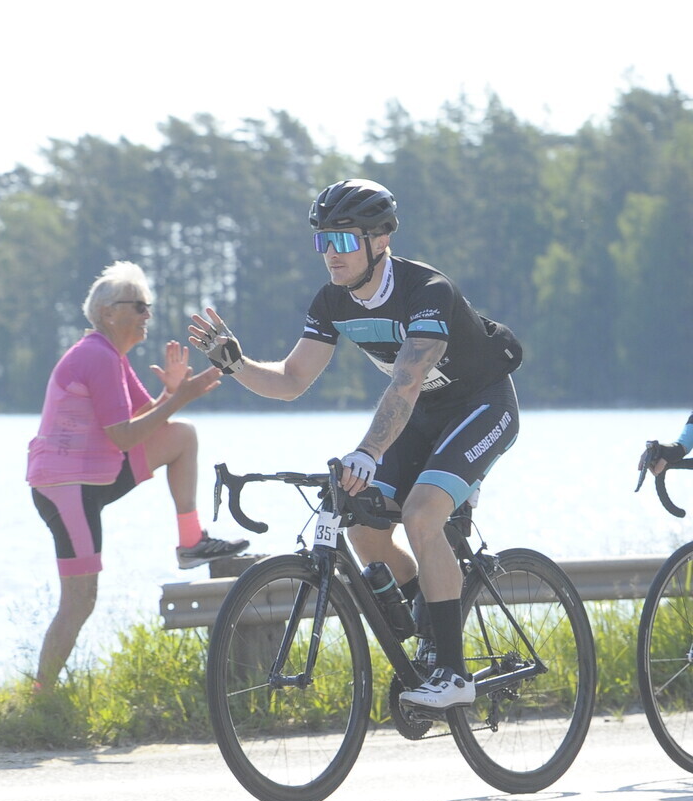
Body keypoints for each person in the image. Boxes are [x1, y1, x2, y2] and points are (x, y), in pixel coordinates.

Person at [189, 178, 524, 710]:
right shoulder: (332, 301)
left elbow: (406, 383)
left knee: (420, 515)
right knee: (364, 526)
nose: (331, 253)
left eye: (343, 240)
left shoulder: (427, 290)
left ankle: (454, 674)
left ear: (380, 240)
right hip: (420, 416)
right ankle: (431, 622)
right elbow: (292, 380)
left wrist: (367, 452)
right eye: (323, 240)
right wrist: (237, 364)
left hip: (480, 406)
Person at [27, 261, 241, 687]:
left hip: (96, 476)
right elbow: (124, 435)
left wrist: (171, 392)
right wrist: (179, 396)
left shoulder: (112, 356)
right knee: (80, 600)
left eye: (149, 306)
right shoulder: (96, 355)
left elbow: (149, 420)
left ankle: (191, 542)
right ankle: (41, 693)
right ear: (108, 313)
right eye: (139, 306)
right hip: (66, 487)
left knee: (181, 436)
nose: (148, 314)